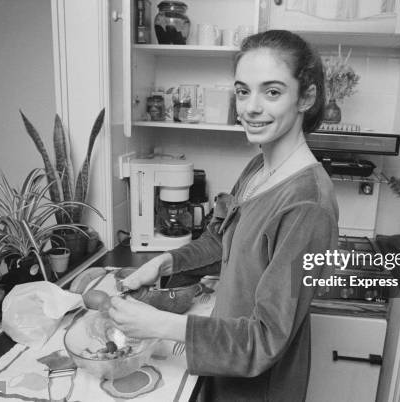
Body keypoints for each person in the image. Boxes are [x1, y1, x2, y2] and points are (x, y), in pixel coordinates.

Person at [108, 30, 340, 402]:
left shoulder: (306, 205)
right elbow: (221, 238)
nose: (250, 107)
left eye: (273, 91)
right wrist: (164, 263)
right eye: (243, 90)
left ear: (306, 97)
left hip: (260, 389)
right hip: (222, 361)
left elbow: (266, 340)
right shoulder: (258, 166)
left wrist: (162, 324)